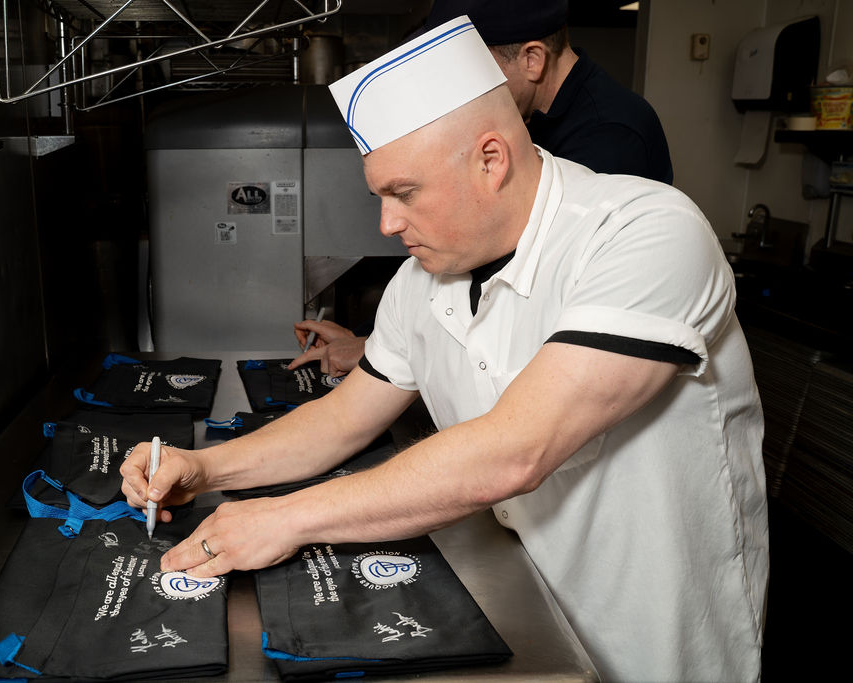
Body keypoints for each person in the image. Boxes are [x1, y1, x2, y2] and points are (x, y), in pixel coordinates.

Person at [122, 16, 767, 682]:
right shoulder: (419, 282)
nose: (387, 223)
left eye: (404, 194)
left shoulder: (645, 233)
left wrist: (285, 519)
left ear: (491, 159)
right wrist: (204, 468)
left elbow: (515, 450)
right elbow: (343, 419)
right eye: (380, 196)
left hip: (655, 629)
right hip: (524, 609)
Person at [289, 0, 674, 376]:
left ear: (532, 59)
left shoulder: (611, 136)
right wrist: (382, 343)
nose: (450, 86)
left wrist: (381, 349)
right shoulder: (528, 115)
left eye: (465, 65)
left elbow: (535, 298)